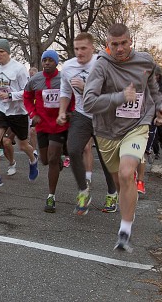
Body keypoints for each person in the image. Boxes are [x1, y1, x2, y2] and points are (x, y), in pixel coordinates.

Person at [83, 23, 162, 251]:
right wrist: (120, 97)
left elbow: (152, 87)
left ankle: (125, 231)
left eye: (123, 43)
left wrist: (158, 106)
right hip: (107, 131)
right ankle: (127, 208)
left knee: (127, 172)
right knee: (121, 183)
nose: (119, 49)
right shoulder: (101, 66)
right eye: (114, 44)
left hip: (137, 125)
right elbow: (88, 102)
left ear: (131, 42)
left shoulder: (146, 61)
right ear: (107, 45)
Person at [56, 32, 118, 215]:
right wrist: (61, 111)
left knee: (106, 158)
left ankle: (112, 193)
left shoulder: (103, 63)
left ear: (92, 48)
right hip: (82, 115)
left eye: (83, 48)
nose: (80, 52)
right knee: (73, 150)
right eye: (76, 49)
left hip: (103, 115)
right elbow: (65, 91)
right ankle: (83, 191)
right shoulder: (68, 67)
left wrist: (87, 88)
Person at [0, 38, 38, 188]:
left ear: (8, 53)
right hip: (1, 110)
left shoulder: (18, 69)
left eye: (1, 52)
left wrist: (10, 96)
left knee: (23, 145)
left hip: (18, 111)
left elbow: (27, 92)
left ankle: (33, 161)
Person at [24, 50, 70, 213]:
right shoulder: (36, 79)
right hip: (42, 124)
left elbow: (71, 96)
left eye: (51, 60)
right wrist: (33, 114)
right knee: (45, 160)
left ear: (56, 62)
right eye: (45, 60)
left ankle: (51, 196)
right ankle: (56, 162)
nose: (47, 63)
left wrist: (67, 113)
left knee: (52, 159)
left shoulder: (64, 78)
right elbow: (27, 97)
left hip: (58, 125)